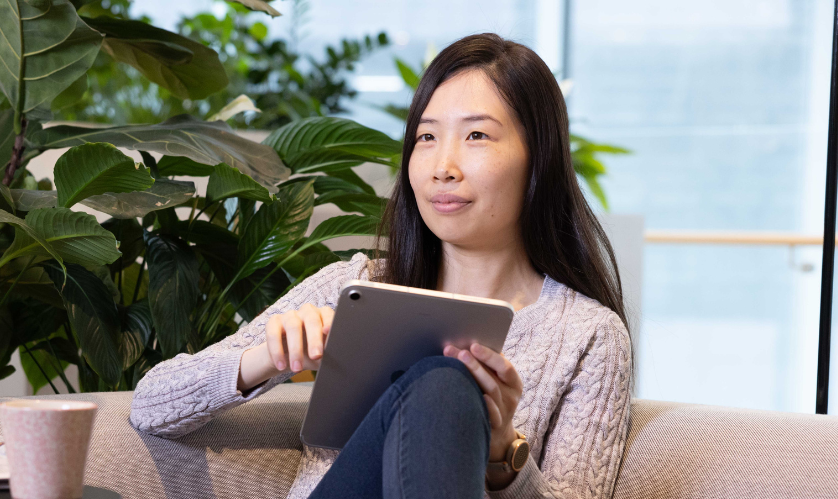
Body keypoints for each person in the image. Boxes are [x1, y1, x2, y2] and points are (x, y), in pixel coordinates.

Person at [131, 33, 632, 499]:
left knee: (443, 382)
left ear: (538, 158)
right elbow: (151, 404)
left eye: (477, 136)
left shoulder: (590, 336)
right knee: (444, 379)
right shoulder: (355, 286)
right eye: (427, 138)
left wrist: (503, 453)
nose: (443, 166)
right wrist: (268, 355)